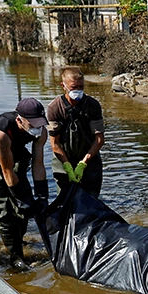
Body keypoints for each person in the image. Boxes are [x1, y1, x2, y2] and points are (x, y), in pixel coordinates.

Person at [0, 98, 49, 269]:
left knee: (24, 211)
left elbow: (38, 164)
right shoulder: (1, 132)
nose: (38, 128)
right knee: (4, 212)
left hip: (15, 158)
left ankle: (17, 239)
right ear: (19, 120)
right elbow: (6, 172)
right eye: (33, 124)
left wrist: (42, 196)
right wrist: (20, 198)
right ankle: (15, 257)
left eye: (40, 123)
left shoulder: (41, 132)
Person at [47, 67, 105, 198]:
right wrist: (67, 166)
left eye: (81, 87)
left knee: (90, 200)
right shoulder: (54, 107)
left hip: (89, 160)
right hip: (63, 160)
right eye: (74, 87)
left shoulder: (93, 105)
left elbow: (99, 139)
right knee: (65, 200)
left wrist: (83, 163)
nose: (78, 91)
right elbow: (54, 144)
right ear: (63, 86)